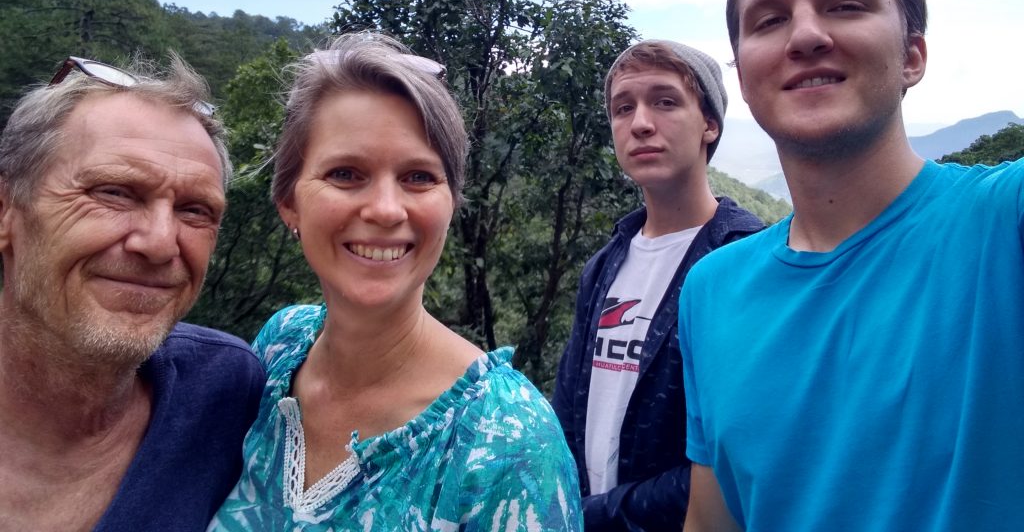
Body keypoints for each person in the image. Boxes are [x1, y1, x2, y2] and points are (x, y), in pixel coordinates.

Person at [680, 0, 1024, 532]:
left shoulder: (1003, 223)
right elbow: (711, 520)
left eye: (846, 5)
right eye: (770, 20)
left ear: (912, 56)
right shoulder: (711, 289)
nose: (806, 35)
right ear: (745, 75)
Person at [210, 32, 582, 531]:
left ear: (451, 204)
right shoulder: (280, 346)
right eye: (345, 173)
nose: (386, 210)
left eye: (419, 177)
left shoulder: (506, 440)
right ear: (289, 202)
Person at [0, 55, 266, 531]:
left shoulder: (226, 391)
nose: (160, 243)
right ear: (7, 211)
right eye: (115, 193)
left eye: (195, 210)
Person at [553, 40, 764, 530]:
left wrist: (588, 517)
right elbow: (567, 415)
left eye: (665, 101)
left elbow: (732, 462)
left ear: (709, 124)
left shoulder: (744, 261)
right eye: (623, 108)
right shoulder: (607, 263)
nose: (640, 123)